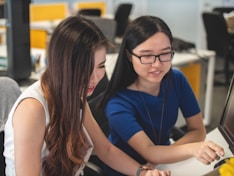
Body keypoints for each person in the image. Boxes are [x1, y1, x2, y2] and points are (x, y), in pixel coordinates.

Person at [3, 16, 170, 176]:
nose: (95, 78)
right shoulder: (33, 110)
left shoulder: (75, 95)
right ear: (64, 65)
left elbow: (106, 150)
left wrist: (143, 172)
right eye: (86, 67)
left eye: (101, 66)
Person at [99, 15, 225, 175]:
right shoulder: (118, 103)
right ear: (129, 56)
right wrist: (191, 148)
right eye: (146, 56)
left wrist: (164, 156)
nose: (157, 64)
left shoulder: (176, 79)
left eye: (165, 54)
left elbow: (198, 130)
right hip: (130, 171)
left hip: (164, 163)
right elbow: (149, 151)